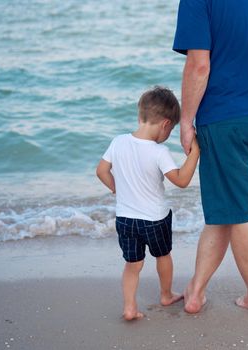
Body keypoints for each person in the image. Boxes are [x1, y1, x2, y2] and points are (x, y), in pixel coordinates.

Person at [172, 0, 248, 313]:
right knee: (230, 207)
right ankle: (195, 291)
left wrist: (185, 121)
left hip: (226, 117)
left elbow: (199, 65)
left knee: (240, 212)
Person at [96, 86, 200, 321]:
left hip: (125, 220)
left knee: (132, 265)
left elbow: (101, 170)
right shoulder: (158, 151)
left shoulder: (118, 142)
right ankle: (165, 295)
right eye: (171, 129)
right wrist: (195, 153)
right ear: (165, 124)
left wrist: (115, 187)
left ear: (140, 115)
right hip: (155, 219)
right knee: (163, 256)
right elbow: (182, 181)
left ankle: (130, 307)